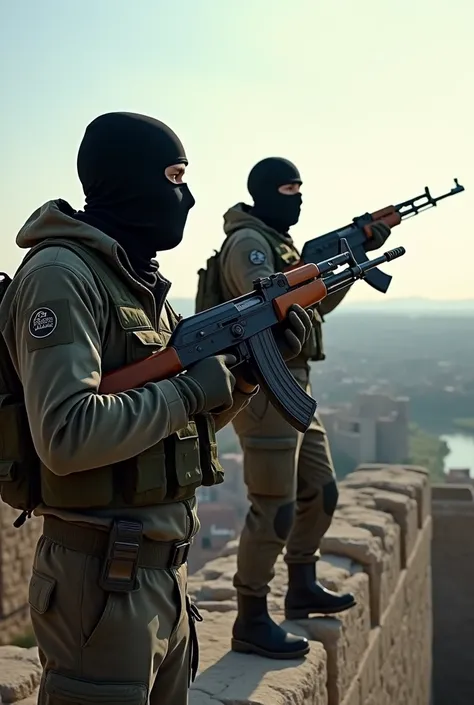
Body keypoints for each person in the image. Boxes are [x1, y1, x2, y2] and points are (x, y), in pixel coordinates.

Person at [0, 119, 312, 704]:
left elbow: (171, 430)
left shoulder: (134, 282)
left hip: (161, 578)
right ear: (126, 180)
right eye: (174, 177)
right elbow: (66, 436)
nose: (187, 197)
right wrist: (192, 390)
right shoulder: (60, 277)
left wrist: (241, 379)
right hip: (101, 583)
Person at [195, 156, 391, 659]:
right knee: (275, 507)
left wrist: (350, 260)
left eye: (301, 187)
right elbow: (269, 307)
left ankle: (301, 584)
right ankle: (252, 616)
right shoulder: (249, 245)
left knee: (320, 492)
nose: (299, 196)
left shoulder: (277, 243)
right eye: (288, 188)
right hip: (261, 386)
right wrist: (333, 264)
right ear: (263, 193)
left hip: (293, 387)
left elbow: (314, 304)